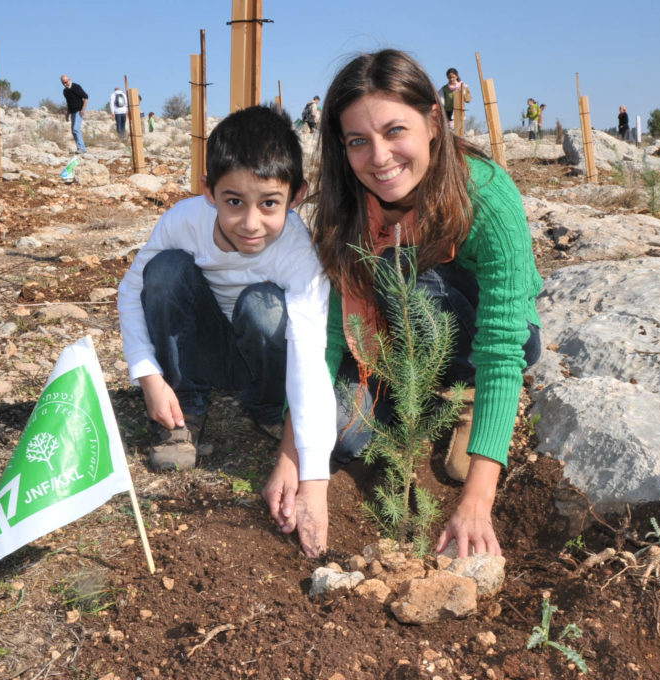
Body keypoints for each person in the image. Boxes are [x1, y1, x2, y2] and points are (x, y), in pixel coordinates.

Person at [263, 49, 542, 560]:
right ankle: (412, 409)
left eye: (395, 131)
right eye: (357, 142)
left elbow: (503, 347)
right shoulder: (344, 210)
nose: (380, 157)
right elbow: (324, 338)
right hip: (389, 348)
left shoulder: (487, 198)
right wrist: (295, 458)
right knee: (342, 439)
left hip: (476, 338)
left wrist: (476, 501)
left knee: (407, 275)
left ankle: (466, 398)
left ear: (433, 120)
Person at [117, 105, 333, 474]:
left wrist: (305, 453)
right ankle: (182, 411)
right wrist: (148, 377)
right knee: (165, 270)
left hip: (265, 364)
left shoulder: (297, 250)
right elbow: (130, 292)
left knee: (265, 307)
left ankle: (268, 409)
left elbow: (310, 343)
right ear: (209, 192)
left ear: (296, 197)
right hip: (203, 351)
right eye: (234, 202)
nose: (251, 223)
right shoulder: (183, 222)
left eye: (269, 203)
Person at [60, 75, 88, 153]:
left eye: (66, 82)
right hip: (72, 112)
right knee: (73, 131)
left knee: (76, 129)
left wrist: (83, 109)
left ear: (69, 80)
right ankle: (80, 148)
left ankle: (82, 148)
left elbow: (86, 97)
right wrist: (67, 114)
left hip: (79, 111)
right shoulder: (65, 91)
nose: (65, 84)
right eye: (63, 83)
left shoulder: (76, 87)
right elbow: (69, 103)